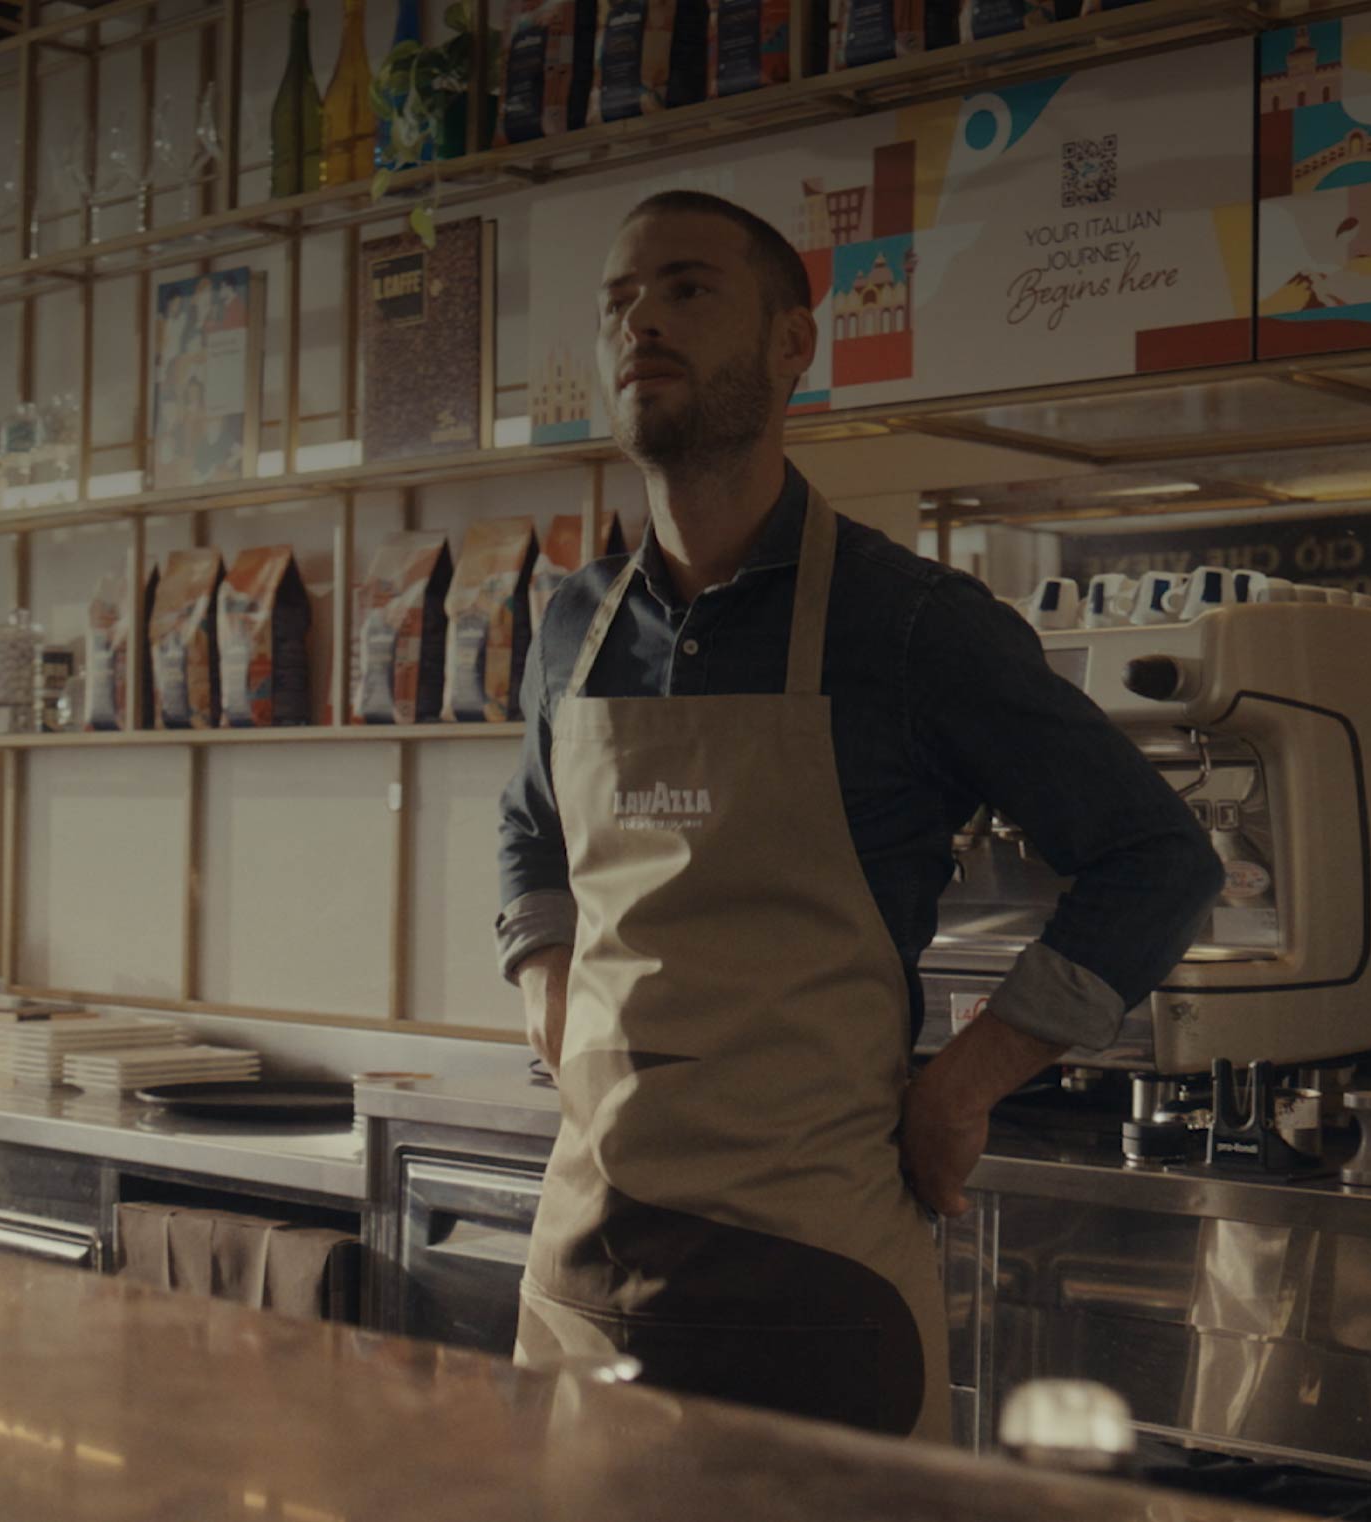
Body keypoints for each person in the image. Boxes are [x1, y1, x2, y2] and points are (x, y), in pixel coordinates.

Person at [493, 190, 1219, 1440]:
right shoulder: (574, 622)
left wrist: (968, 1081)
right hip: (585, 1272)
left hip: (812, 1290)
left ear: (793, 343)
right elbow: (528, 826)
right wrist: (544, 974)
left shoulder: (911, 626)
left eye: (687, 289)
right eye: (618, 302)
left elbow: (1158, 859)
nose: (641, 324)